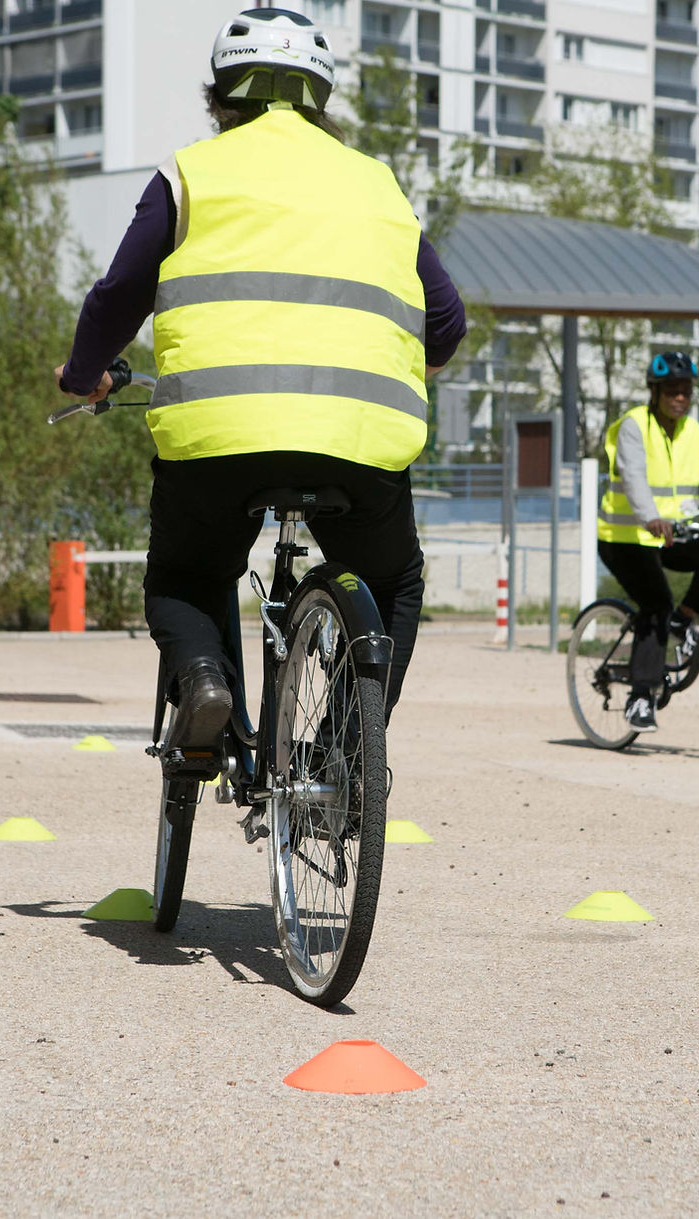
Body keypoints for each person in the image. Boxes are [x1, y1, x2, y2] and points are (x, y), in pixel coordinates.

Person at [53, 7, 466, 749]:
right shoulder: (378, 186)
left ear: (221, 98)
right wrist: (413, 365)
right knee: (395, 583)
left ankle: (207, 680)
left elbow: (117, 295)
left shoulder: (192, 174)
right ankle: (343, 754)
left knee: (185, 577)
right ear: (321, 96)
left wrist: (84, 374)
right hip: (360, 442)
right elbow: (446, 325)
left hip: (221, 436)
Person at [597, 351, 699, 732]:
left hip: (670, 535)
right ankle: (640, 697)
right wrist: (650, 516)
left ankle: (684, 622)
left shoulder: (693, 433)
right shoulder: (634, 426)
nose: (680, 397)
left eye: (686, 390)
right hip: (625, 537)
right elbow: (633, 476)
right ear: (655, 391)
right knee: (655, 602)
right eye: (672, 390)